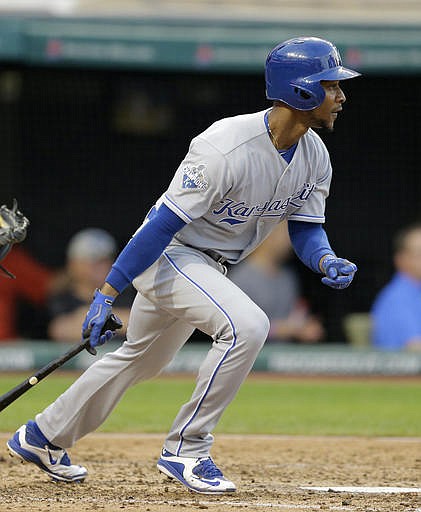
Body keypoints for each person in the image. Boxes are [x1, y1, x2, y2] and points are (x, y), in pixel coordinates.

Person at [7, 37, 360, 494]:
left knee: (143, 359)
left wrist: (325, 257)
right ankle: (188, 448)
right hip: (171, 253)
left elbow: (306, 227)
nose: (341, 96)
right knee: (248, 325)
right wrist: (107, 293)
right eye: (332, 86)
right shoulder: (224, 147)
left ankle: (42, 436)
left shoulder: (316, 156)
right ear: (302, 92)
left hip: (210, 267)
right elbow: (157, 226)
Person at [229, 222, 324, 344]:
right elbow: (237, 328)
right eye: (287, 234)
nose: (292, 242)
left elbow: (293, 317)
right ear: (268, 233)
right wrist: (291, 329)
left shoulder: (288, 277)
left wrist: (304, 325)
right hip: (250, 358)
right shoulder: (241, 278)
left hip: (284, 356)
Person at [47, 228, 134, 342]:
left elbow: (142, 322)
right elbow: (59, 330)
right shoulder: (61, 296)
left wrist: (94, 315)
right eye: (91, 261)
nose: (99, 267)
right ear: (73, 264)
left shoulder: (125, 291)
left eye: (104, 260)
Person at [371, 223, 421, 351]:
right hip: (403, 370)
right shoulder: (396, 299)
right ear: (400, 260)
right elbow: (415, 349)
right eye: (419, 254)